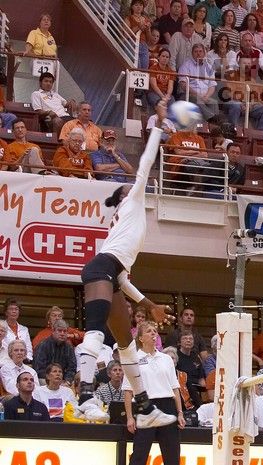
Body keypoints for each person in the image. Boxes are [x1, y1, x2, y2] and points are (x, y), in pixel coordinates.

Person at [77, 127, 176, 429]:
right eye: (128, 187)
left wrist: (151, 304)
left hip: (108, 271)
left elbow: (121, 280)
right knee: (95, 330)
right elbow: (145, 164)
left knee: (126, 344)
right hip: (99, 269)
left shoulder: (125, 224)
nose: (133, 186)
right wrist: (156, 132)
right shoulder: (131, 202)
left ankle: (145, 407)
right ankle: (84, 398)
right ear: (125, 195)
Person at [125, 321, 186, 465]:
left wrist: (180, 413)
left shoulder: (166, 359)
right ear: (140, 338)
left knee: (172, 454)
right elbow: (128, 391)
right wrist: (129, 417)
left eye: (155, 330)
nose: (154, 333)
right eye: (149, 331)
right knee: (140, 453)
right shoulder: (133, 360)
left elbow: (175, 388)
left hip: (167, 405)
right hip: (144, 405)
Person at [34, 319, 77, 384]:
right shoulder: (43, 345)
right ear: (53, 331)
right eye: (59, 331)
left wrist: (67, 381)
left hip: (64, 380)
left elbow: (72, 368)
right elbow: (39, 369)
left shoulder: (69, 347)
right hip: (46, 379)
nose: (62, 334)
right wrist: (54, 380)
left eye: (65, 331)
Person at [2, 297, 33, 362]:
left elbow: (29, 349)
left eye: (16, 309)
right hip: (4, 363)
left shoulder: (24, 329)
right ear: (6, 312)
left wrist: (27, 359)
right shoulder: (1, 328)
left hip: (23, 363)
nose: (14, 311)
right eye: (11, 309)